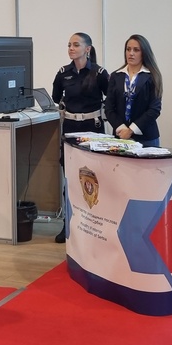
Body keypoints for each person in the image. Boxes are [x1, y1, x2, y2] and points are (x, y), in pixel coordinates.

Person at [51, 32, 109, 243]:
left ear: (87, 49)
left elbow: (111, 98)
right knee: (70, 177)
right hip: (70, 129)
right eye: (69, 45)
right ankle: (69, 223)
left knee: (93, 178)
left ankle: (94, 226)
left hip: (92, 128)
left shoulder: (99, 73)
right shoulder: (63, 73)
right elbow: (56, 97)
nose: (71, 48)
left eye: (76, 45)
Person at [104, 34, 163, 149]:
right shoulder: (115, 76)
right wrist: (122, 129)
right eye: (128, 49)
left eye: (136, 50)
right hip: (121, 135)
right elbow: (109, 108)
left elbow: (154, 109)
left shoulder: (152, 76)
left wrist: (131, 130)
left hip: (146, 137)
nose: (131, 53)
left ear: (144, 53)